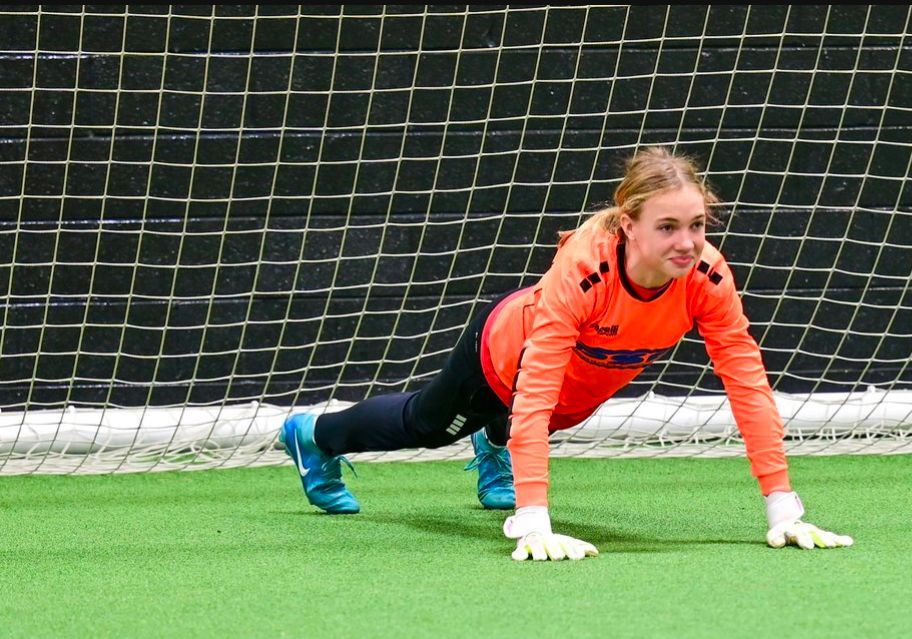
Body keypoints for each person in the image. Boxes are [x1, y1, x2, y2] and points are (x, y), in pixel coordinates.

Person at [280, 146, 853, 561]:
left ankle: (495, 444)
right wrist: (532, 518)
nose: (687, 241)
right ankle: (315, 434)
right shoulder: (585, 271)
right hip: (503, 360)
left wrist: (784, 506)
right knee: (428, 425)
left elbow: (746, 384)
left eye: (697, 225)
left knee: (557, 414)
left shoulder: (705, 277)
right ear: (629, 225)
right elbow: (535, 383)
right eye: (668, 226)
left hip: (579, 389)